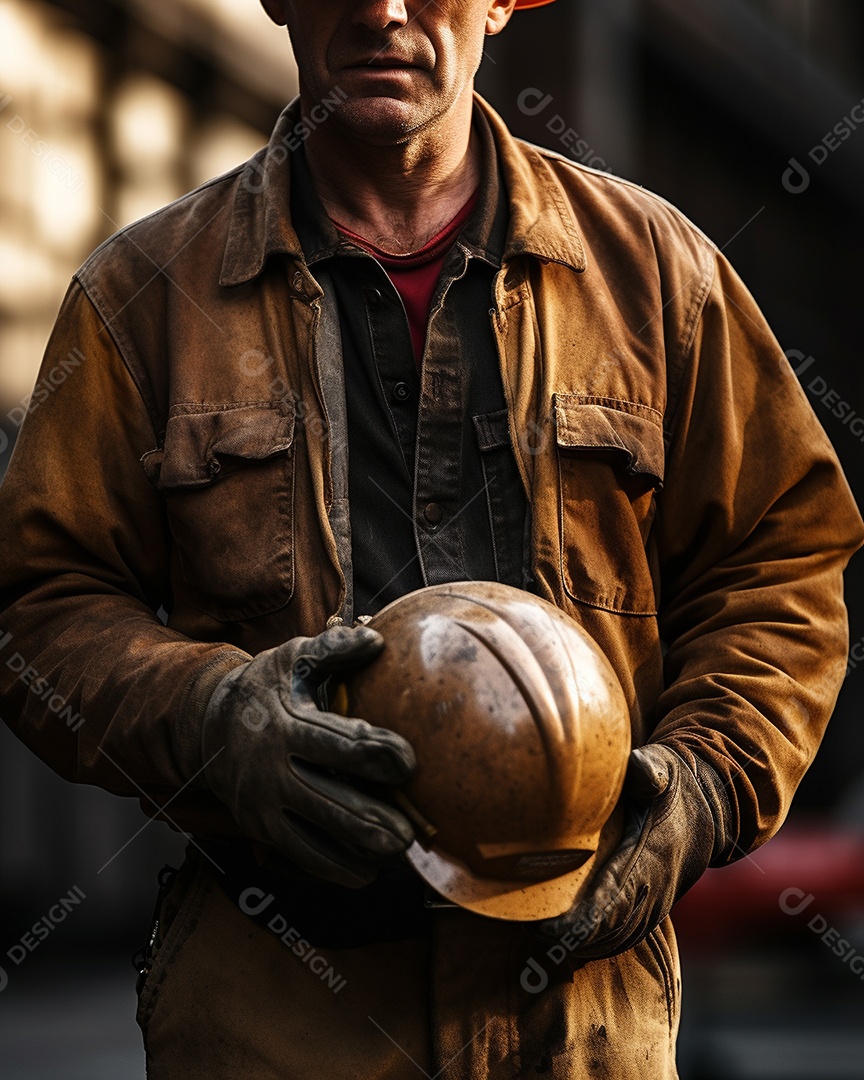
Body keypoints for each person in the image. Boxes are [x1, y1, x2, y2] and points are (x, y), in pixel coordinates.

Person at [0, 0, 861, 1076]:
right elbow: (37, 606)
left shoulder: (657, 278)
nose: (385, 10)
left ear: (505, 3)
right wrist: (212, 715)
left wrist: (701, 785)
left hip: (580, 1032)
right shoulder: (143, 298)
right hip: (272, 1021)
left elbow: (780, 566)